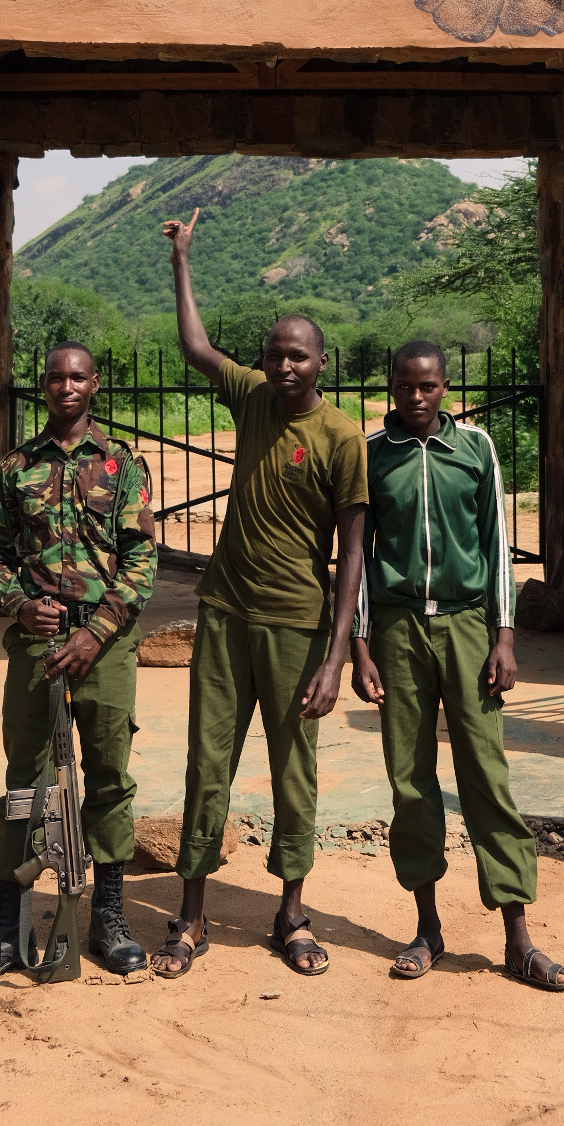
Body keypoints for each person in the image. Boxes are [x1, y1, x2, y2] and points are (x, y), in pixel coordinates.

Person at [152, 207, 367, 979]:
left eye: (297, 358)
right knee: (206, 763)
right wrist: (182, 260)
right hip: (225, 614)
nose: (283, 368)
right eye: (275, 355)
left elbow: (351, 554)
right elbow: (195, 347)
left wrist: (337, 656)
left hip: (297, 627)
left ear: (320, 363)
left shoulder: (341, 438)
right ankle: (191, 915)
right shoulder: (247, 399)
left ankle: (291, 914)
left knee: (292, 769)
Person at [352, 340, 564, 990]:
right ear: (390, 386)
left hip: (468, 626)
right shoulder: (371, 455)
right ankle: (426, 928)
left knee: (484, 774)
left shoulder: (473, 448)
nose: (415, 398)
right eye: (404, 386)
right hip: (396, 631)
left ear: (445, 387)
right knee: (409, 781)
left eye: (427, 387)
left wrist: (503, 636)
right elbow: (359, 560)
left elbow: (496, 545)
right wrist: (359, 647)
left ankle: (517, 937)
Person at [0, 341, 157, 994]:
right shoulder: (16, 467)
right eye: (55, 377)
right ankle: (5, 932)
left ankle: (109, 920)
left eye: (77, 376)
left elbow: (142, 559)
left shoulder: (122, 464)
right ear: (45, 387)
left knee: (109, 777)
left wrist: (96, 630)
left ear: (94, 385)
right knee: (25, 785)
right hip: (38, 647)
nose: (66, 386)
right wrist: (17, 603)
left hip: (106, 644)